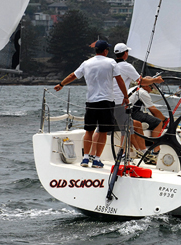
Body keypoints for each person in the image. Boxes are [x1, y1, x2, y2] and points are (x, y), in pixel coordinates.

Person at [54, 40, 129, 169]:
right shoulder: (111, 62)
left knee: (89, 130)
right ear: (105, 51)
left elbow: (73, 75)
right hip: (106, 101)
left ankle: (85, 158)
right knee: (103, 131)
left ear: (96, 50)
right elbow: (120, 80)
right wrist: (126, 96)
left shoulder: (86, 63)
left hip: (91, 102)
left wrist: (61, 84)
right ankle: (97, 160)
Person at [102, 42, 163, 153]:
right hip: (119, 102)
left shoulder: (110, 64)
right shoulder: (126, 66)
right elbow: (141, 81)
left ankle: (137, 151)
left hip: (106, 102)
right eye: (127, 52)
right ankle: (127, 153)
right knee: (127, 128)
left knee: (130, 125)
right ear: (125, 53)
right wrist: (155, 80)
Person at [129, 83, 167, 156]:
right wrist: (164, 119)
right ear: (146, 85)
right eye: (151, 88)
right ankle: (156, 150)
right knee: (158, 122)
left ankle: (144, 150)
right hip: (133, 113)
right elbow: (153, 110)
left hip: (127, 112)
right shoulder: (143, 92)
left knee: (150, 120)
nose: (151, 90)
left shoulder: (134, 89)